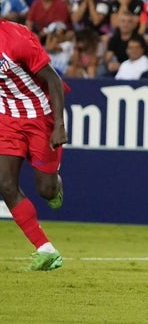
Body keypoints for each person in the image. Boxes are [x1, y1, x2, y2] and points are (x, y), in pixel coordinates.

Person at [0, 19, 67, 271]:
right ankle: (46, 249)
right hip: (7, 119)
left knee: (46, 190)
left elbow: (54, 80)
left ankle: (55, 186)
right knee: (5, 183)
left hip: (41, 117)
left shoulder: (16, 39)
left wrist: (59, 124)